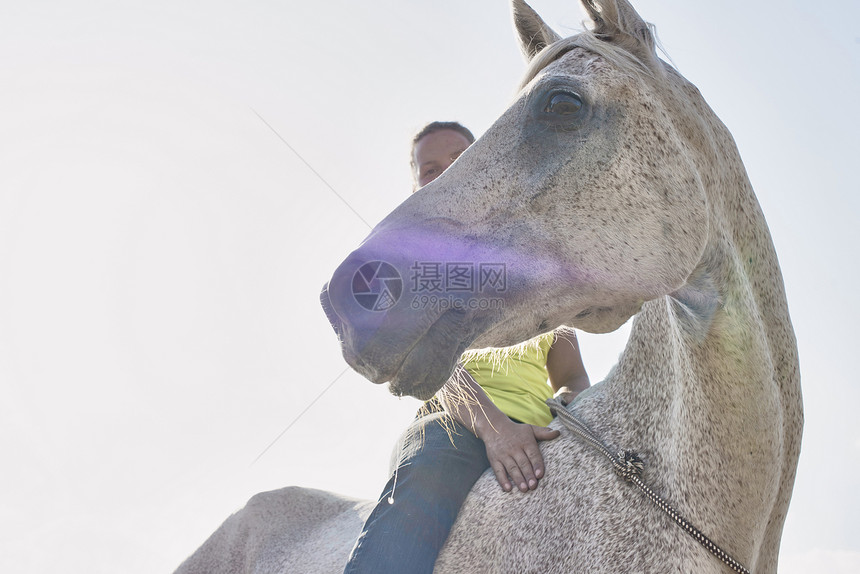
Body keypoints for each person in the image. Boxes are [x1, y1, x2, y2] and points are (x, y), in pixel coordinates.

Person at [343, 121, 590, 574]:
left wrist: (571, 406)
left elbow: (571, 375)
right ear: (417, 183)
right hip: (455, 425)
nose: (444, 175)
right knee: (427, 477)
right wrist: (496, 429)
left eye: (457, 162)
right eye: (430, 169)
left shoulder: (533, 267)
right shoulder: (416, 265)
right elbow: (429, 364)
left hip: (544, 427)